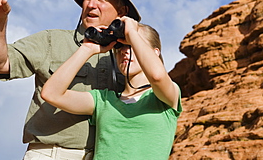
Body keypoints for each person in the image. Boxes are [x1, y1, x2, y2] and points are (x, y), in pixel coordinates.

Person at [0, 0, 141, 160]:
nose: (91, 4)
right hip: (52, 153)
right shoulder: (52, 40)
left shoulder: (131, 54)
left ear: (122, 11)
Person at [41, 16, 182, 160]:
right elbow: (51, 94)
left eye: (131, 45)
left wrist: (132, 33)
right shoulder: (104, 100)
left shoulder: (166, 97)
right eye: (120, 46)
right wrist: (87, 49)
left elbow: (157, 76)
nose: (124, 51)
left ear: (155, 52)